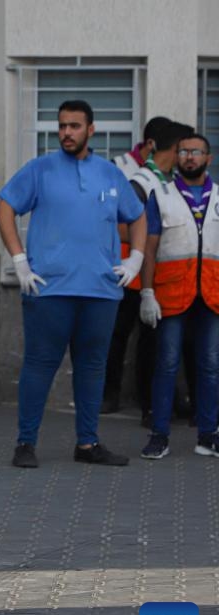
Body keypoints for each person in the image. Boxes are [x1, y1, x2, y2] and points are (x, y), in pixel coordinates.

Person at [0, 100, 147, 469]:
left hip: (100, 289)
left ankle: (88, 444)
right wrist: (19, 261)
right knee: (39, 365)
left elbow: (138, 216)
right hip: (49, 288)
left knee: (92, 368)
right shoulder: (40, 169)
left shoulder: (109, 174)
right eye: (62, 126)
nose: (66, 133)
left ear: (90, 130)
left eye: (74, 126)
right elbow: (4, 208)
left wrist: (136, 258)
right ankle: (25, 443)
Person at [139, 133, 219, 460]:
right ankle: (159, 435)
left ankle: (209, 435)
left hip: (213, 295)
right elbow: (149, 248)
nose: (189, 157)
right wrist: (146, 292)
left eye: (196, 152)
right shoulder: (161, 196)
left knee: (211, 366)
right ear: (177, 156)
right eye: (184, 151)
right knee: (167, 364)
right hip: (171, 295)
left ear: (208, 159)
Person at [102, 116, 172, 418]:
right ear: (154, 144)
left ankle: (150, 403)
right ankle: (108, 396)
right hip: (120, 270)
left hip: (152, 271)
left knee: (150, 340)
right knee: (115, 336)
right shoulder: (118, 168)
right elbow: (107, 220)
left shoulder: (165, 177)